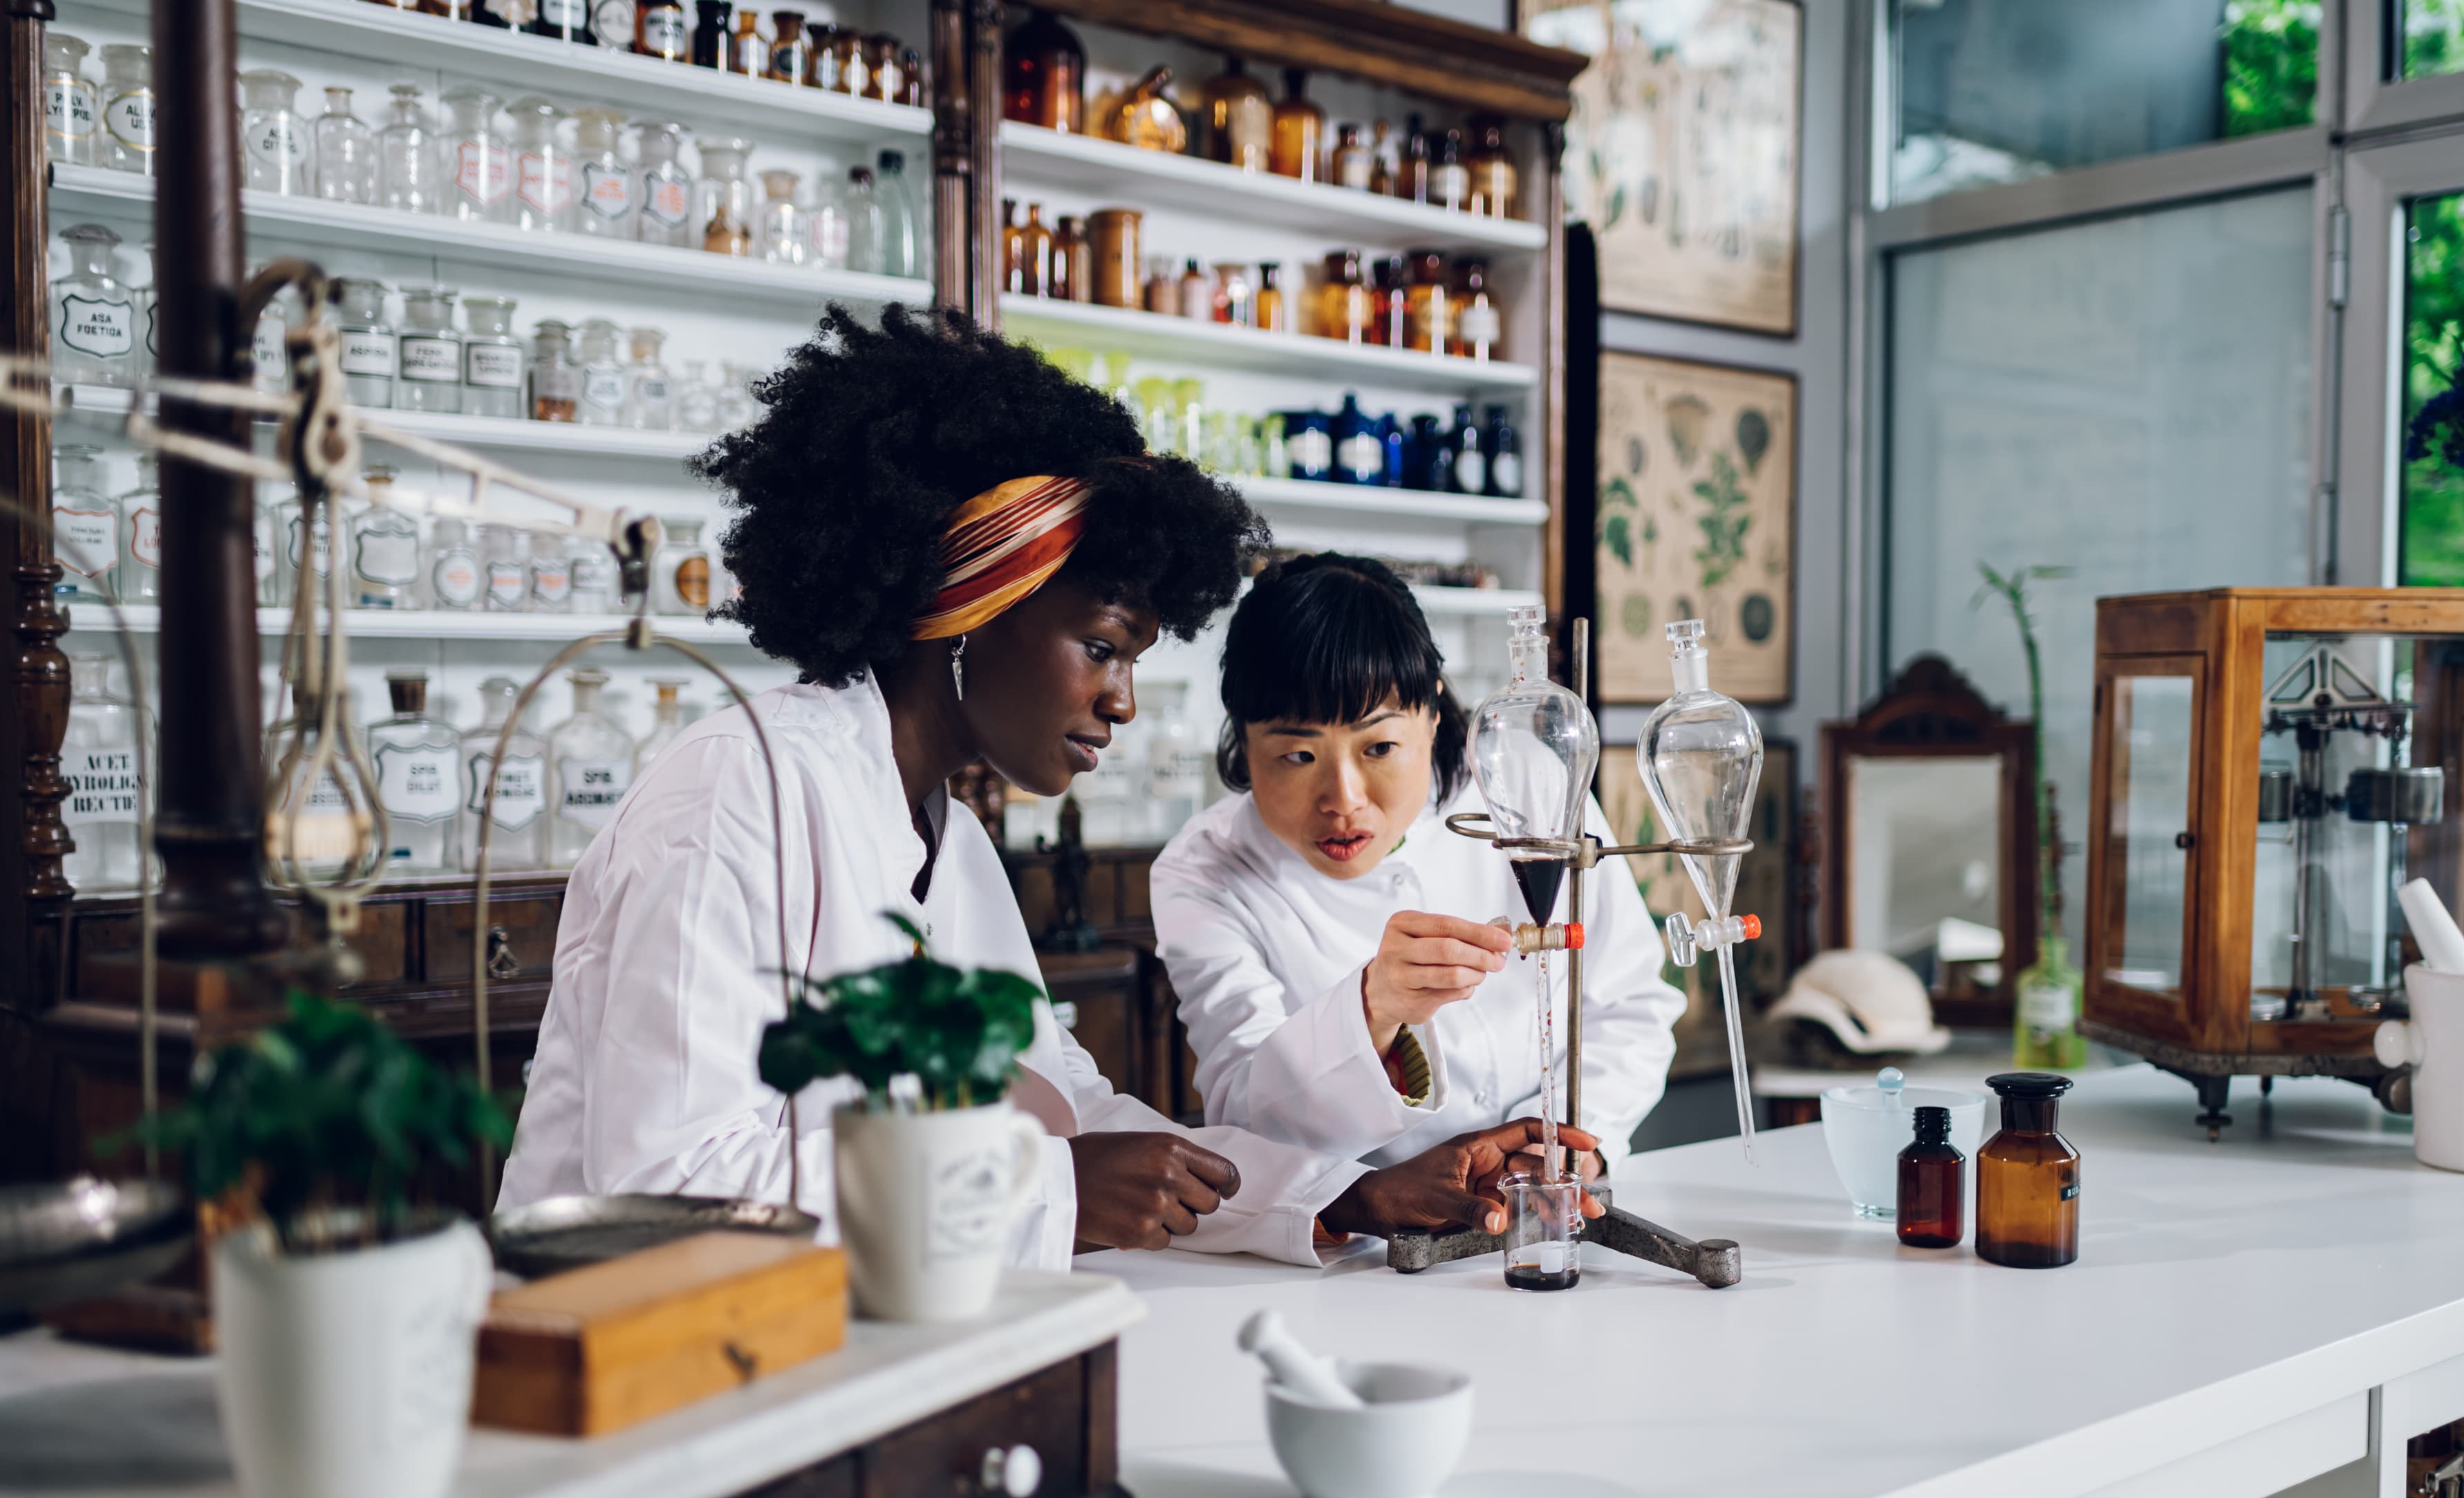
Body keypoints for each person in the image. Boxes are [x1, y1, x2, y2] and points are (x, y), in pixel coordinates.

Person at [500, 308, 1587, 1263]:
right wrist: (1050, 1192)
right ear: (979, 601)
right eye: (1103, 645)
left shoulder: (948, 842)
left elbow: (1077, 1113)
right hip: (624, 1378)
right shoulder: (744, 790)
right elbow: (675, 1191)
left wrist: (1346, 1193)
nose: (1121, 698)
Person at [1151, 553, 1681, 1174]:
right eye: (1298, 755)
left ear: (1431, 714)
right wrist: (1373, 1009)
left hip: (1555, 1195)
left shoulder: (1532, 781)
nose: (1343, 799)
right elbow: (1246, 1116)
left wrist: (1561, 1146)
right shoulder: (1204, 872)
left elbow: (1629, 1003)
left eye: (1378, 747)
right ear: (1243, 738)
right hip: (1363, 1237)